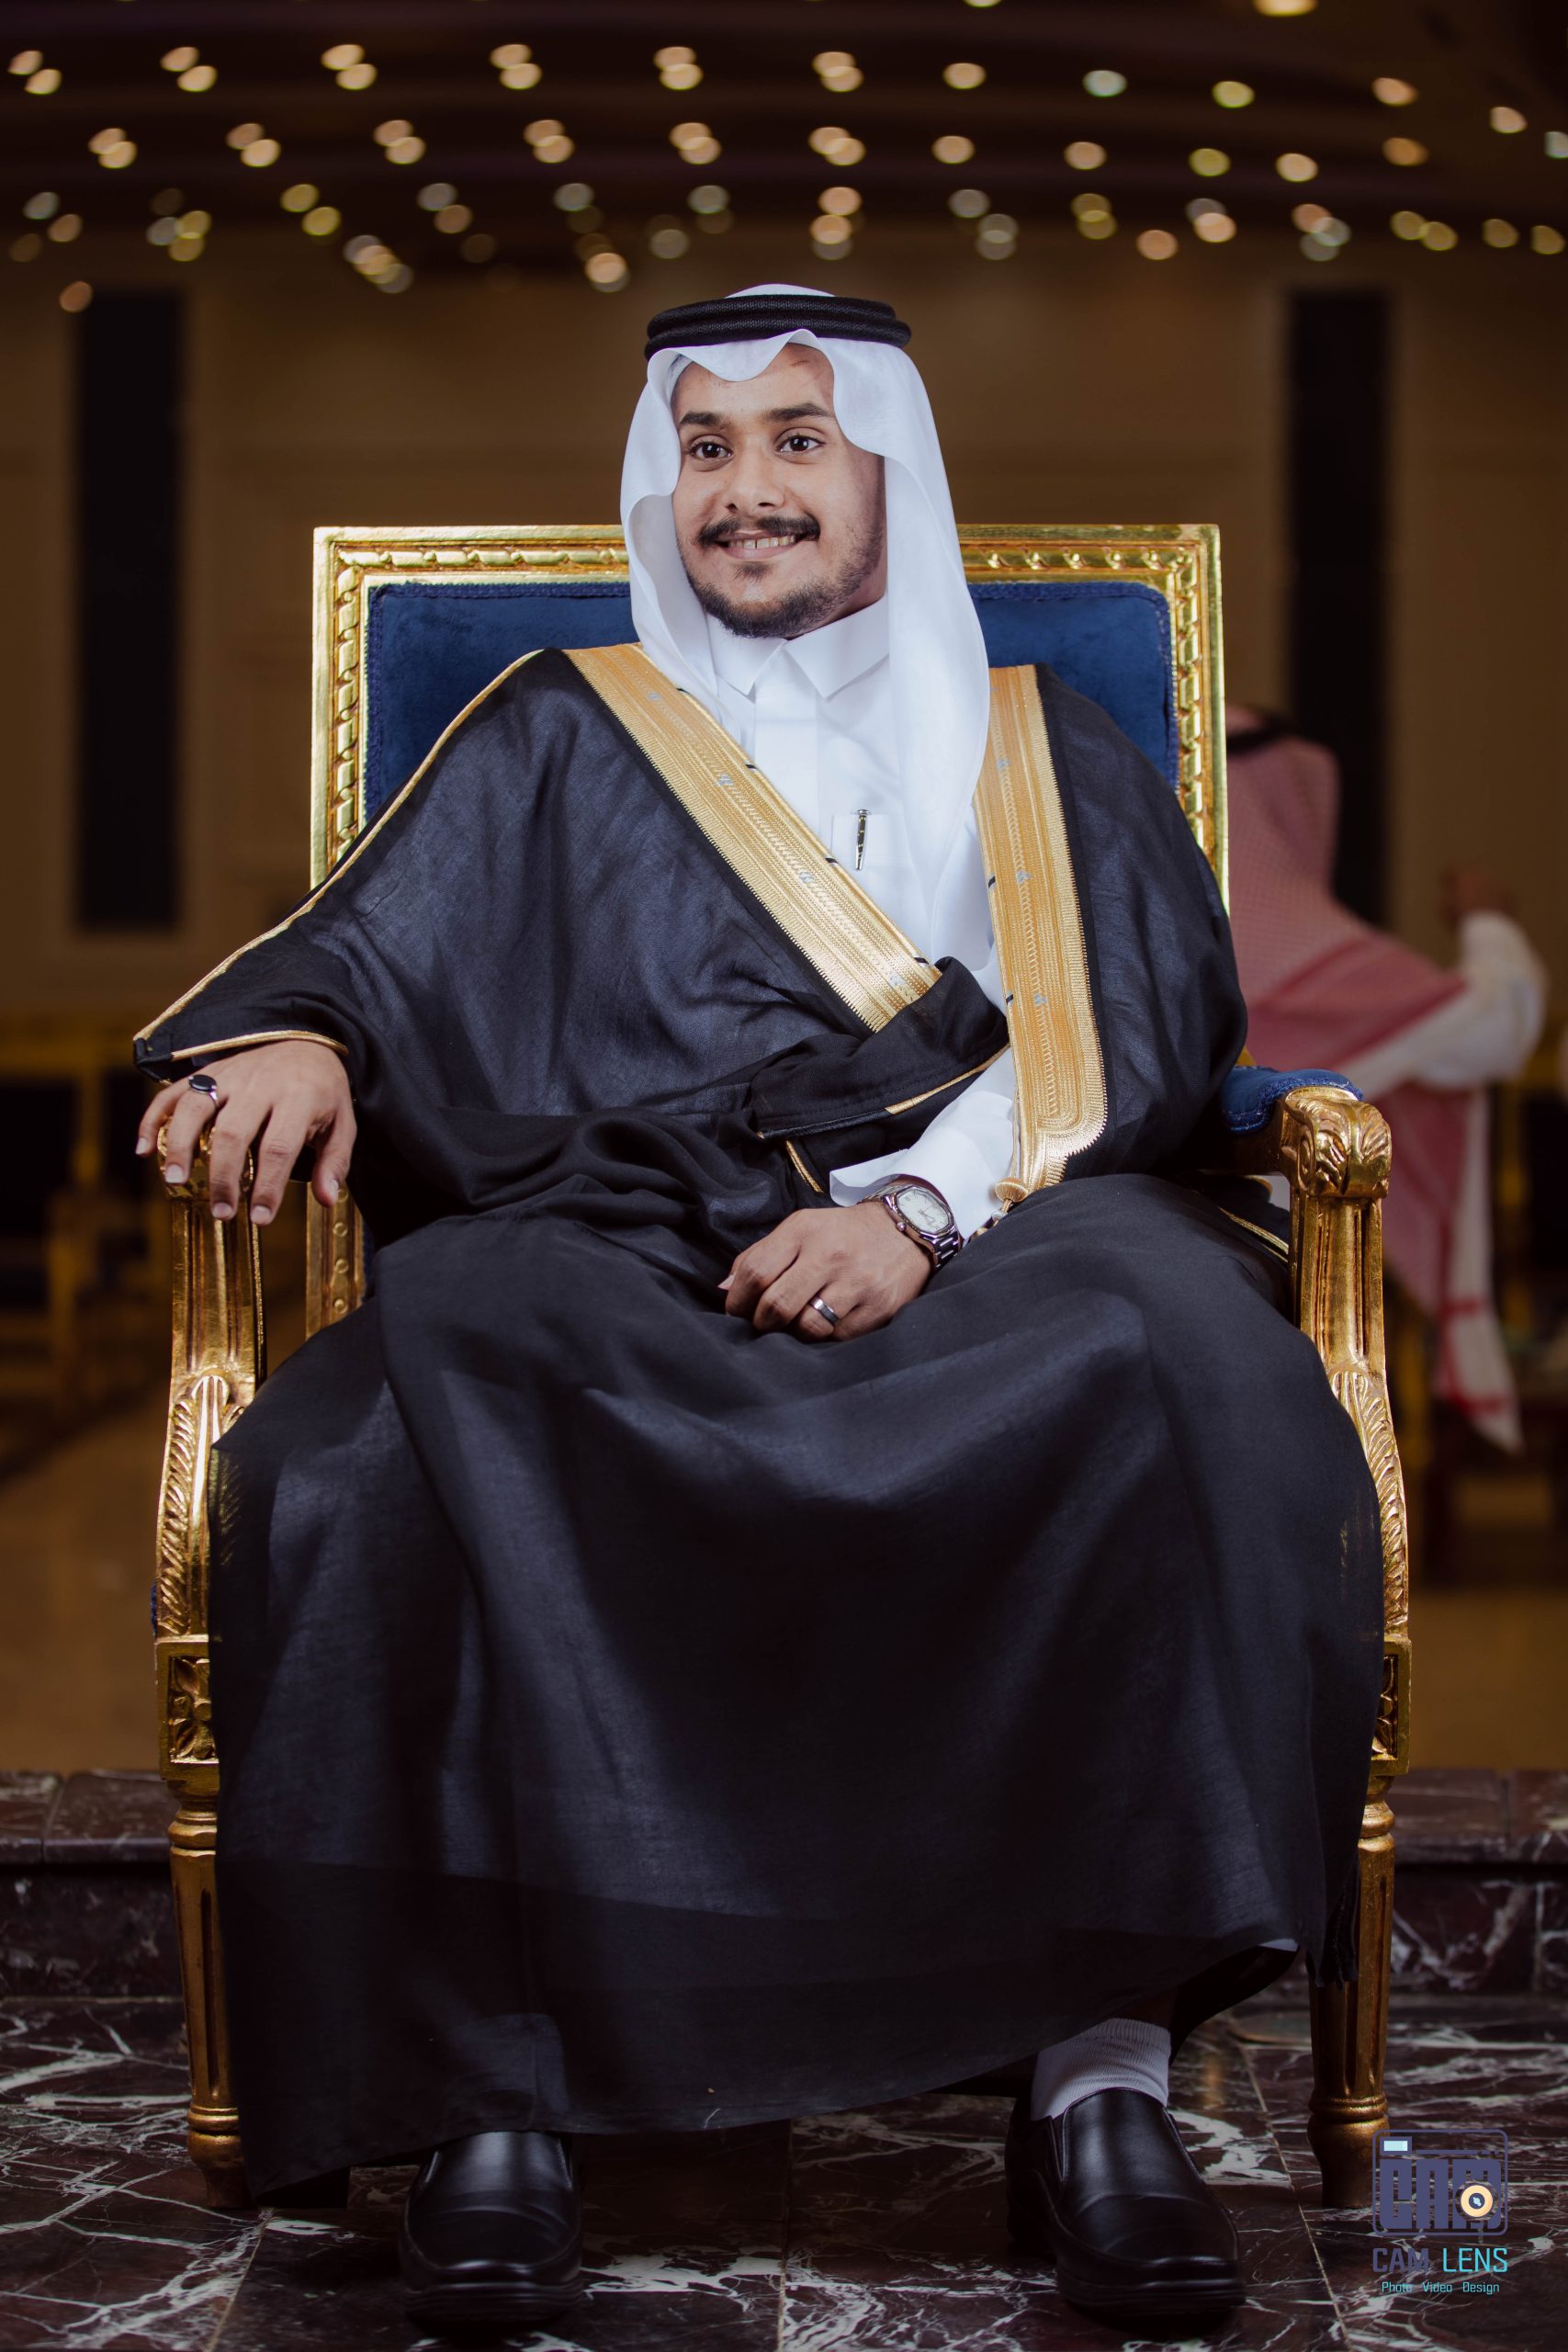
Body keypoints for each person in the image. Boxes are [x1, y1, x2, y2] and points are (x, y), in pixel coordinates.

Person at [134, 288, 1383, 2333]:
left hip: (1002, 1223)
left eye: (797, 441)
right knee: (403, 1421)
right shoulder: (559, 724)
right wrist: (302, 1037)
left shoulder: (1036, 738)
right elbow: (378, 946)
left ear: (885, 472)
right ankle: (493, 2092)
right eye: (705, 449)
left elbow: (1142, 1026)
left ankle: (1097, 2083)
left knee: (1169, 1364)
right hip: (622, 1219)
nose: (747, 490)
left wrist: (915, 1212)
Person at [1226, 707, 1548, 1451]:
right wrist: (1489, 922)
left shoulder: (1160, 938)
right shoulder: (1306, 954)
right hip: (1288, 1286)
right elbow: (1490, 1029)